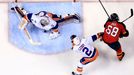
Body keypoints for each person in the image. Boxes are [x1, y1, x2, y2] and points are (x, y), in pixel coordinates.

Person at [11, 5, 80, 39]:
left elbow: (56, 29)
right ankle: (18, 9)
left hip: (46, 16)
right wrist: (23, 24)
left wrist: (56, 33)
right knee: (24, 16)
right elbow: (26, 17)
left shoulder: (52, 24)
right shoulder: (35, 19)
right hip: (42, 14)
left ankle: (73, 16)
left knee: (59, 19)